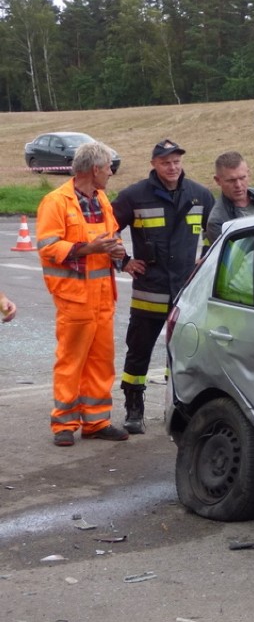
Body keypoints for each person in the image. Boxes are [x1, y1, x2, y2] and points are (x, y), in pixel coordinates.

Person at [111, 139, 214, 434]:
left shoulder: (200, 195)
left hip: (185, 293)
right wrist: (124, 261)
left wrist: (204, 261)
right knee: (138, 351)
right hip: (149, 292)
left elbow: (216, 233)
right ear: (154, 164)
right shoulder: (134, 196)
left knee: (181, 354)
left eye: (177, 161)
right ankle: (133, 409)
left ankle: (177, 408)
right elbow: (107, 230)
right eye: (166, 162)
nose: (172, 167)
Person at [35, 141, 129, 446]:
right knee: (71, 360)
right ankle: (64, 424)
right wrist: (90, 248)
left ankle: (96, 421)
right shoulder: (56, 202)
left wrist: (116, 250)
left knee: (101, 361)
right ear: (94, 169)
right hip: (74, 297)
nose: (111, 174)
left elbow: (111, 234)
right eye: (108, 168)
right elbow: (48, 247)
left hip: (103, 297)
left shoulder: (101, 198)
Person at [205, 151, 254, 245]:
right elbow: (234, 257)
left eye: (242, 178)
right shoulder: (217, 221)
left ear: (248, 173)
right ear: (217, 180)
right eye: (231, 180)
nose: (238, 185)